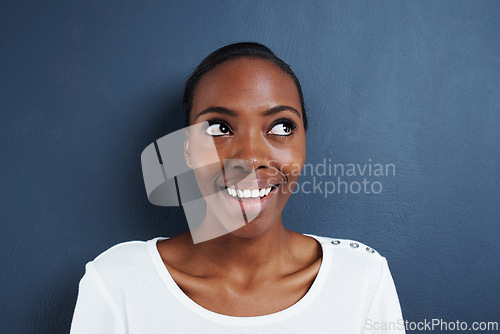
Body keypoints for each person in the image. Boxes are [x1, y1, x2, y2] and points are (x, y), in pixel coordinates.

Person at [70, 42, 405, 333]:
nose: (250, 157)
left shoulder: (362, 279)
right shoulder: (117, 283)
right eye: (219, 127)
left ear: (304, 143)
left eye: (282, 126)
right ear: (186, 150)